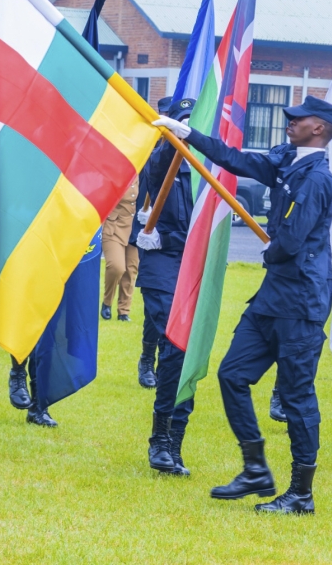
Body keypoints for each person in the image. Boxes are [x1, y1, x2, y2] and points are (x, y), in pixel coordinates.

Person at [153, 95, 332, 516]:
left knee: (296, 397)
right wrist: (188, 134)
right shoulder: (289, 162)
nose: (289, 122)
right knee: (232, 374)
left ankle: (301, 494)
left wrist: (272, 251)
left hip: (301, 304)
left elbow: (290, 242)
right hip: (273, 298)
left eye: (298, 119)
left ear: (319, 128)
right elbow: (235, 160)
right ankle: (255, 467)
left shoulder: (315, 178)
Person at [136, 97, 196, 475]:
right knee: (173, 348)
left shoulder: (208, 170)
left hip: (194, 270)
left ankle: (176, 440)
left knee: (188, 353)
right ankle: (160, 440)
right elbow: (157, 166)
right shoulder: (163, 160)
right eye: (183, 122)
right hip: (162, 264)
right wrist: (170, 137)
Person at [102, 175, 139, 323]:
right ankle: (107, 302)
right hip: (113, 225)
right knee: (116, 267)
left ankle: (124, 311)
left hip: (135, 227)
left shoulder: (145, 168)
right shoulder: (116, 168)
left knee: (131, 269)